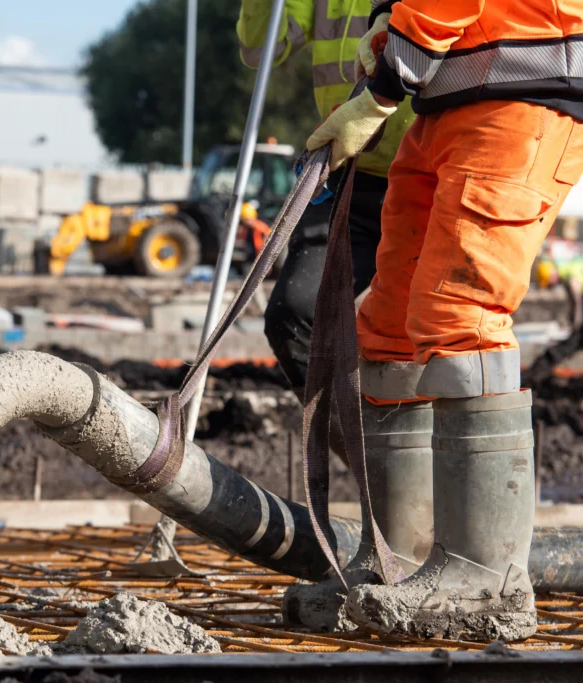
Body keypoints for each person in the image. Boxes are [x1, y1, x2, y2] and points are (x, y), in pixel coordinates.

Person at [306, 0, 583, 641]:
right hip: (447, 108)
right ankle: (395, 559)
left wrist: (380, 92)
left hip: (520, 105)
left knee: (461, 315)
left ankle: (484, 575)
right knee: (389, 325)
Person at [237, 0, 433, 633]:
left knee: (431, 330)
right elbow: (257, 51)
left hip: (428, 167)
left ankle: (440, 509)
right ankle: (387, 487)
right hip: (349, 166)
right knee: (293, 312)